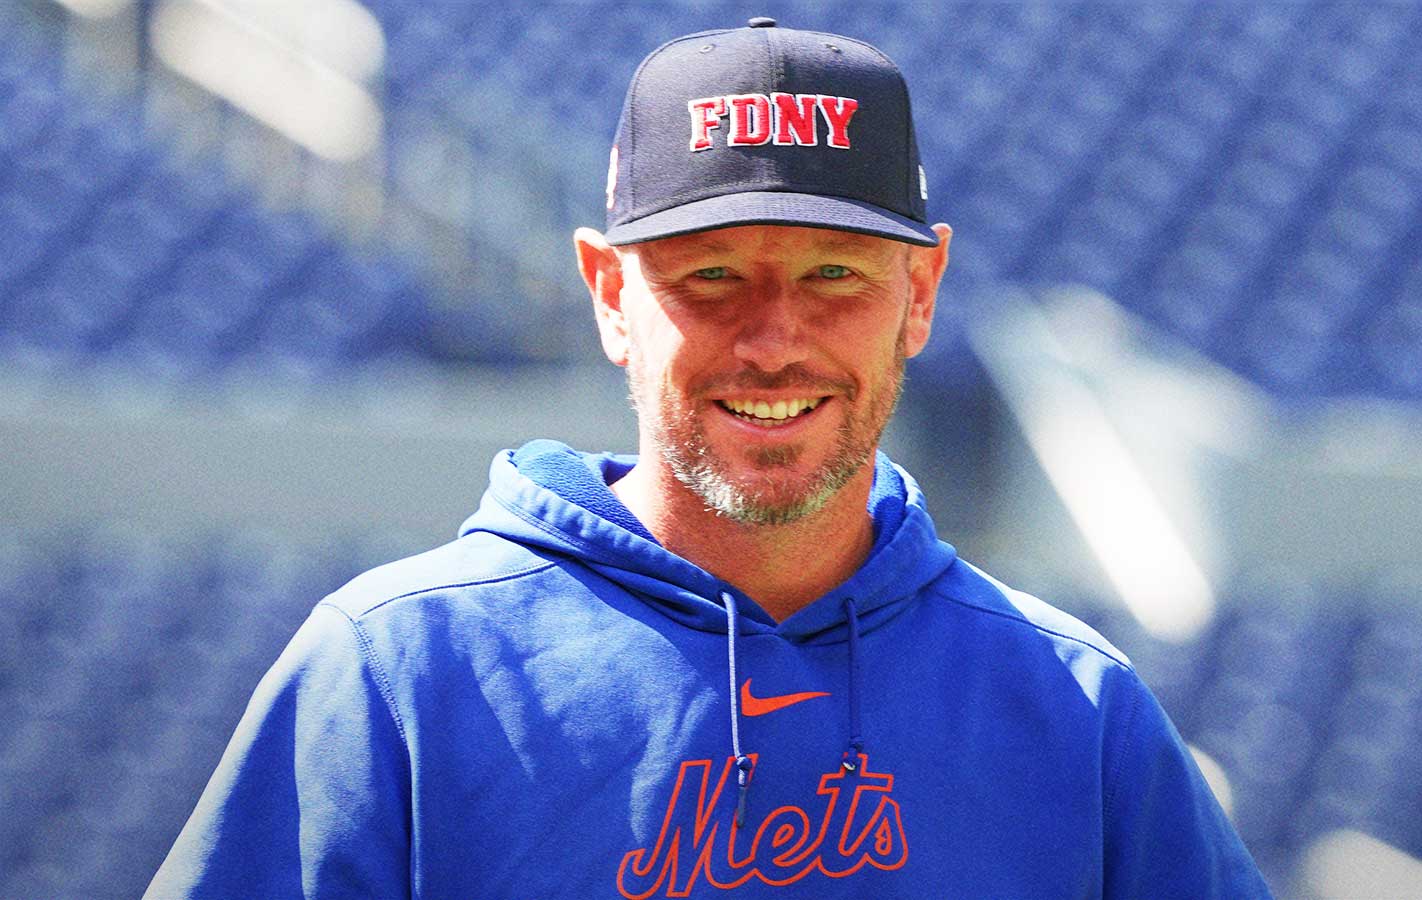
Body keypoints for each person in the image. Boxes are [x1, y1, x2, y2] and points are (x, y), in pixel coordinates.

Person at [148, 17, 1271, 899]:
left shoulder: (1075, 707)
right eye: (710, 277)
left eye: (835, 275)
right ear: (608, 296)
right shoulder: (395, 672)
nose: (774, 341)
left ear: (919, 295)